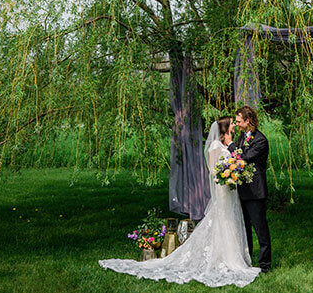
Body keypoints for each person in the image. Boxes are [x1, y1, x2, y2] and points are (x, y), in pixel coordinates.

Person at [98, 116, 261, 288]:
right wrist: (225, 174)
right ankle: (224, 257)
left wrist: (232, 171)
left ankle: (229, 255)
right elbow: (213, 171)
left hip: (230, 189)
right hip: (223, 189)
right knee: (223, 219)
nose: (235, 125)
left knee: (230, 220)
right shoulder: (214, 146)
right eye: (232, 123)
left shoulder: (227, 145)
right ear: (225, 128)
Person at [226, 105, 272, 273]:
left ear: (248, 121)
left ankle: (265, 265)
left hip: (255, 192)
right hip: (242, 191)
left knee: (260, 229)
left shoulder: (260, 140)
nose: (237, 124)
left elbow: (243, 158)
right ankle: (247, 260)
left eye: (239, 121)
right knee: (244, 228)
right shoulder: (241, 137)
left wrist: (230, 145)